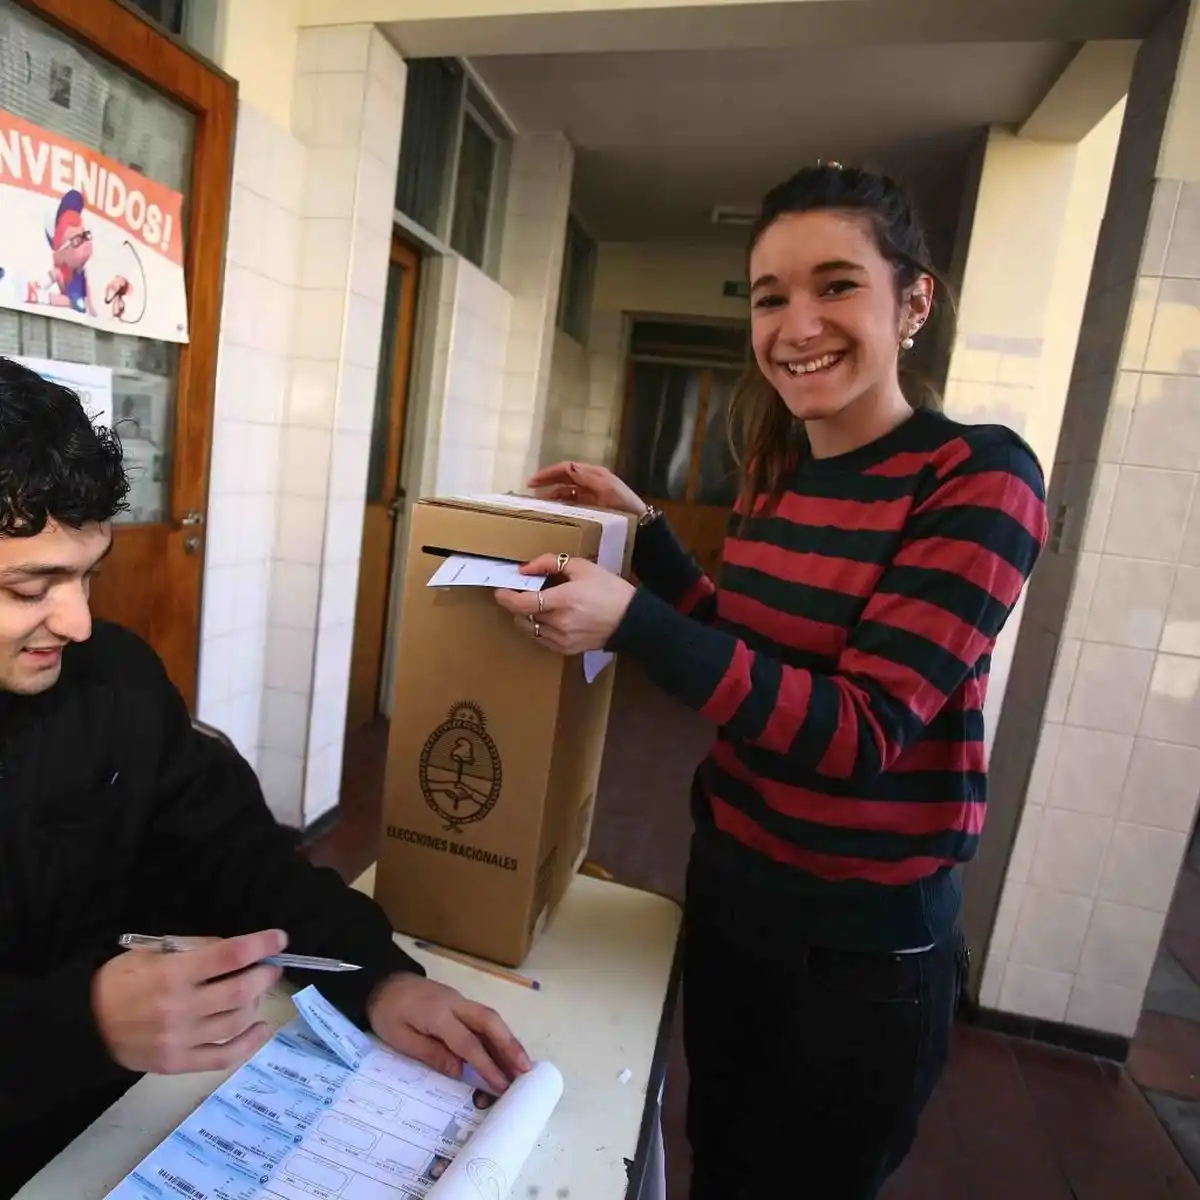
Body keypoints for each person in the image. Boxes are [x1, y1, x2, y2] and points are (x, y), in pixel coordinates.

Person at [495, 163, 1047, 1198]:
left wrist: (632, 619)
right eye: (770, 296)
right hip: (733, 892)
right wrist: (648, 536)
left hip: (859, 955)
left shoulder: (979, 477)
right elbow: (743, 647)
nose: (799, 324)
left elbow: (858, 731)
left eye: (837, 285)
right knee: (719, 1159)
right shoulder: (782, 474)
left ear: (912, 299)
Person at [0, 357, 531, 1196]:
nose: (76, 619)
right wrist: (79, 1023)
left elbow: (233, 855)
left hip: (135, 1122)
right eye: (32, 586)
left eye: (87, 573)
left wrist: (376, 974)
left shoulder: (114, 677)